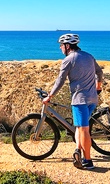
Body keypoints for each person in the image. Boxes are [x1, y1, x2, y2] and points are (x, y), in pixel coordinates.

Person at [43, 33, 103, 169]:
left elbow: (60, 80)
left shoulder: (69, 59)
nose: (60, 48)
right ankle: (77, 149)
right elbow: (99, 72)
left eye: (61, 45)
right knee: (80, 127)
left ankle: (88, 160)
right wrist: (98, 87)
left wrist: (50, 96)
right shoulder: (88, 56)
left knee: (84, 129)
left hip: (79, 100)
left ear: (67, 46)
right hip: (92, 99)